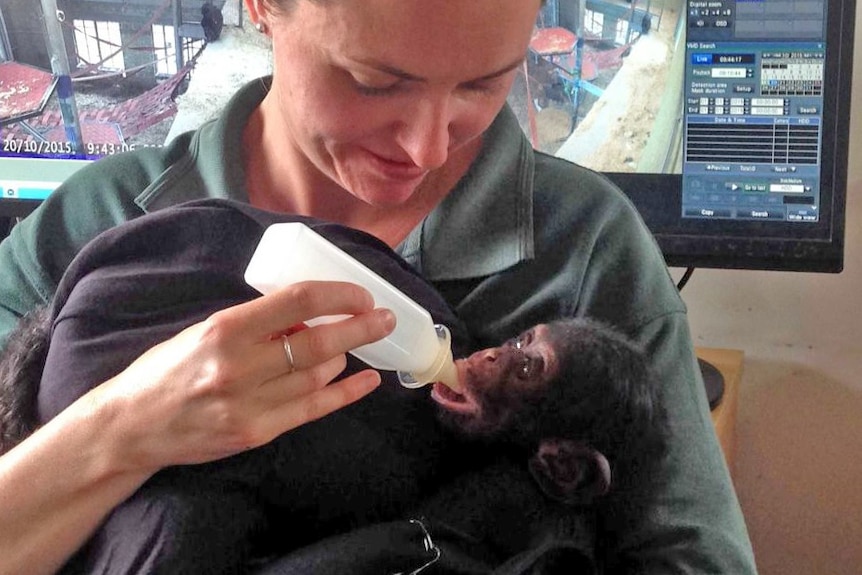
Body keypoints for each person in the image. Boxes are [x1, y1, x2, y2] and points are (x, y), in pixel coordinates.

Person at [0, 0, 758, 573]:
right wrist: (122, 430)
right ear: (261, 7)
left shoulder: (585, 250)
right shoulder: (97, 228)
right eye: (373, 81)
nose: (426, 147)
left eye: (484, 85)